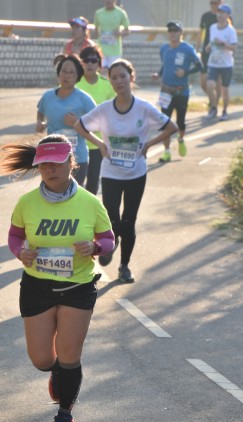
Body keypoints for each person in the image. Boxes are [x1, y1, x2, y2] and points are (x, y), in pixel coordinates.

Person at [0, 134, 114, 422]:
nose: (50, 169)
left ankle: (64, 413)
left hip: (78, 286)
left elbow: (108, 239)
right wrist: (20, 252)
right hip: (37, 286)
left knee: (69, 355)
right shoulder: (27, 203)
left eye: (57, 163)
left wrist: (96, 248)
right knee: (42, 360)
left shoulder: (90, 203)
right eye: (44, 164)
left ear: (71, 162)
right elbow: (15, 236)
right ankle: (58, 374)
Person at [70, 59, 178, 283]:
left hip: (136, 174)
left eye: (123, 76)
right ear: (110, 82)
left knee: (129, 222)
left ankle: (124, 267)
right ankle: (112, 241)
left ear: (132, 78)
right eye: (114, 78)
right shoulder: (105, 109)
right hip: (111, 173)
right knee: (111, 220)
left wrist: (148, 144)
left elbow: (172, 127)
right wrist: (100, 144)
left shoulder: (143, 108)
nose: (119, 81)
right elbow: (79, 125)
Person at [36, 54, 97, 186]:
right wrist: (40, 122)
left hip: (77, 157)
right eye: (64, 71)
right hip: (51, 157)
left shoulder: (84, 98)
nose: (67, 75)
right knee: (52, 193)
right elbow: (40, 112)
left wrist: (77, 122)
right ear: (59, 73)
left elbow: (97, 124)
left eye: (71, 72)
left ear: (77, 77)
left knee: (73, 194)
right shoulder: (48, 96)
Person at [153, 21, 202, 163]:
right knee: (164, 122)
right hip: (165, 91)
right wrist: (158, 74)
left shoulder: (187, 49)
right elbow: (165, 65)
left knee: (180, 122)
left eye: (175, 30)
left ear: (181, 33)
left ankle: (180, 139)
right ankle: (167, 152)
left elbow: (200, 66)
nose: (172, 33)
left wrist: (185, 72)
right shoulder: (164, 48)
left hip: (181, 92)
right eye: (170, 30)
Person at [76, 45, 116, 194]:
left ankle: (89, 207)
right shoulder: (75, 83)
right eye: (86, 60)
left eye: (93, 60)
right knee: (75, 182)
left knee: (93, 182)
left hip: (97, 143)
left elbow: (114, 112)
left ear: (99, 63)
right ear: (81, 63)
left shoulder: (107, 85)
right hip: (77, 143)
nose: (90, 64)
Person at [205, 4, 238, 121]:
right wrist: (208, 47)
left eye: (223, 13)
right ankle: (213, 108)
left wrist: (223, 43)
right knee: (210, 86)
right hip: (213, 62)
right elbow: (212, 41)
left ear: (227, 15)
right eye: (219, 12)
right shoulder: (213, 27)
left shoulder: (231, 30)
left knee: (225, 90)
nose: (220, 15)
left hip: (226, 64)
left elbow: (234, 48)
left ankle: (224, 111)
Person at [197, 0, 222, 110]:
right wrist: (197, 49)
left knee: (218, 82)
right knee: (203, 82)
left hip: (219, 53)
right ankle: (213, 100)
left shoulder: (225, 17)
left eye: (216, 3)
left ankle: (214, 106)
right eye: (211, 3)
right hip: (206, 52)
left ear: (221, 3)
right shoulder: (205, 16)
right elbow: (200, 33)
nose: (213, 5)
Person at [93, 0, 130, 74]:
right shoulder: (98, 13)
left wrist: (119, 33)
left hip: (114, 51)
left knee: (114, 73)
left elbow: (127, 30)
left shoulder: (121, 13)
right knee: (101, 73)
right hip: (101, 50)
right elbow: (96, 30)